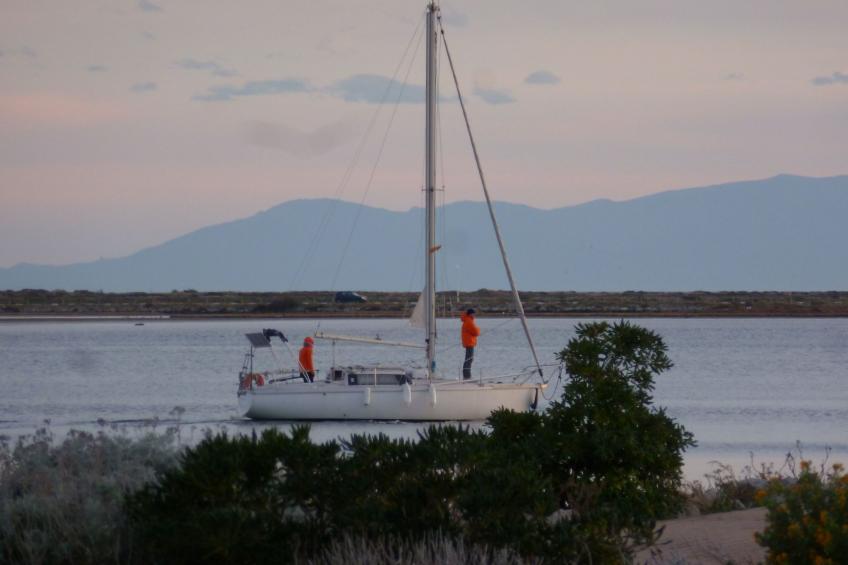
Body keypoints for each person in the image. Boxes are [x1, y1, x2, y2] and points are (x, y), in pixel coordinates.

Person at [460, 308, 480, 380]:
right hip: (469, 343)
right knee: (469, 359)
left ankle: (466, 375)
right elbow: (476, 332)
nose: (475, 315)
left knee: (469, 359)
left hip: (468, 342)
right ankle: (467, 376)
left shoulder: (468, 320)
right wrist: (478, 329)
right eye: (474, 314)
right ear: (470, 314)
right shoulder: (469, 321)